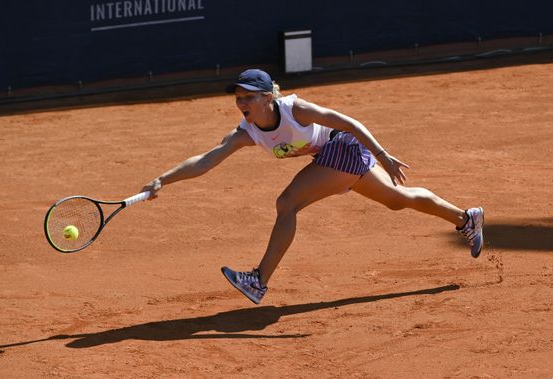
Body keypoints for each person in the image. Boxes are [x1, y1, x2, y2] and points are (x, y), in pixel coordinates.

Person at [141, 69, 484, 305]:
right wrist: (162, 180)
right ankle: (466, 218)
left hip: (345, 147)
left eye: (248, 97)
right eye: (237, 98)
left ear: (267, 98)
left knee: (287, 203)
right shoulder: (246, 133)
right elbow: (206, 160)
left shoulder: (296, 110)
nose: (241, 103)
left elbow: (347, 122)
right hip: (333, 155)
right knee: (398, 200)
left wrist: (383, 154)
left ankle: (258, 281)